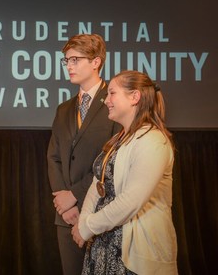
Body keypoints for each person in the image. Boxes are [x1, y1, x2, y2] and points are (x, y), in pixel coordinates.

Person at [71, 70, 178, 274]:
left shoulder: (153, 141)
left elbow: (131, 201)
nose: (106, 101)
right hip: (104, 246)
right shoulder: (119, 139)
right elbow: (98, 185)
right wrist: (83, 222)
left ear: (134, 97)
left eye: (112, 93)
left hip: (134, 253)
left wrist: (88, 227)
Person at [47, 33, 120, 275]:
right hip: (66, 217)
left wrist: (75, 196)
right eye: (66, 61)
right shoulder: (64, 109)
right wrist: (64, 203)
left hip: (101, 212)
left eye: (75, 60)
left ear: (96, 62)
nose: (69, 66)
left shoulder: (115, 101)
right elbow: (54, 157)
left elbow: (114, 161)